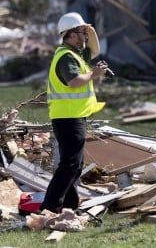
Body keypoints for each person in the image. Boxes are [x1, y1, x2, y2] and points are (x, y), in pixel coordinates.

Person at [40, 12, 107, 213]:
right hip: (68, 117)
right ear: (70, 34)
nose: (85, 37)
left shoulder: (76, 54)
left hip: (73, 116)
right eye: (81, 33)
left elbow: (94, 50)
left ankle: (69, 204)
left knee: (75, 165)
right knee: (69, 164)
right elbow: (74, 81)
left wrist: (90, 29)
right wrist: (94, 74)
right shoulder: (66, 57)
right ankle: (50, 207)